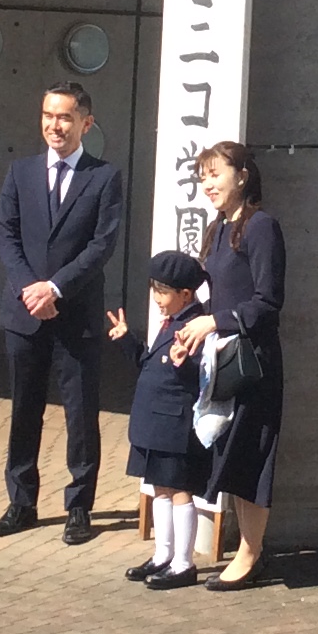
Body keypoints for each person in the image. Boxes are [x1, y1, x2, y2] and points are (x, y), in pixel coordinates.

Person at [0, 83, 124, 546]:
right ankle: (21, 502)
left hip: (76, 313)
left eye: (65, 117)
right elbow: (6, 234)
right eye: (48, 115)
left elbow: (101, 245)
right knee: (24, 409)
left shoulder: (104, 177)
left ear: (86, 123)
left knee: (80, 414)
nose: (55, 125)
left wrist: (55, 287)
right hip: (24, 312)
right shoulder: (20, 172)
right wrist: (31, 288)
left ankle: (79, 506)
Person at [169, 141, 286, 592]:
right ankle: (249, 551)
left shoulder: (262, 227)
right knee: (232, 457)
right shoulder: (217, 228)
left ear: (242, 176)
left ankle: (251, 554)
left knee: (252, 456)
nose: (208, 184)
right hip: (222, 361)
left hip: (253, 363)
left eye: (215, 174)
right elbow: (216, 298)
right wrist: (189, 333)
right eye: (202, 177)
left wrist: (215, 322)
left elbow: (268, 302)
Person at [106, 251, 214, 590]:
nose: (156, 299)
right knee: (160, 489)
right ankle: (163, 554)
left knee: (180, 491)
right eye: (154, 290)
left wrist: (186, 362)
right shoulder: (170, 323)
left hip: (175, 423)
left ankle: (183, 563)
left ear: (186, 294)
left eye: (163, 292)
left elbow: (205, 373)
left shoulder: (195, 325)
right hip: (155, 421)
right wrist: (126, 339)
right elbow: (148, 361)